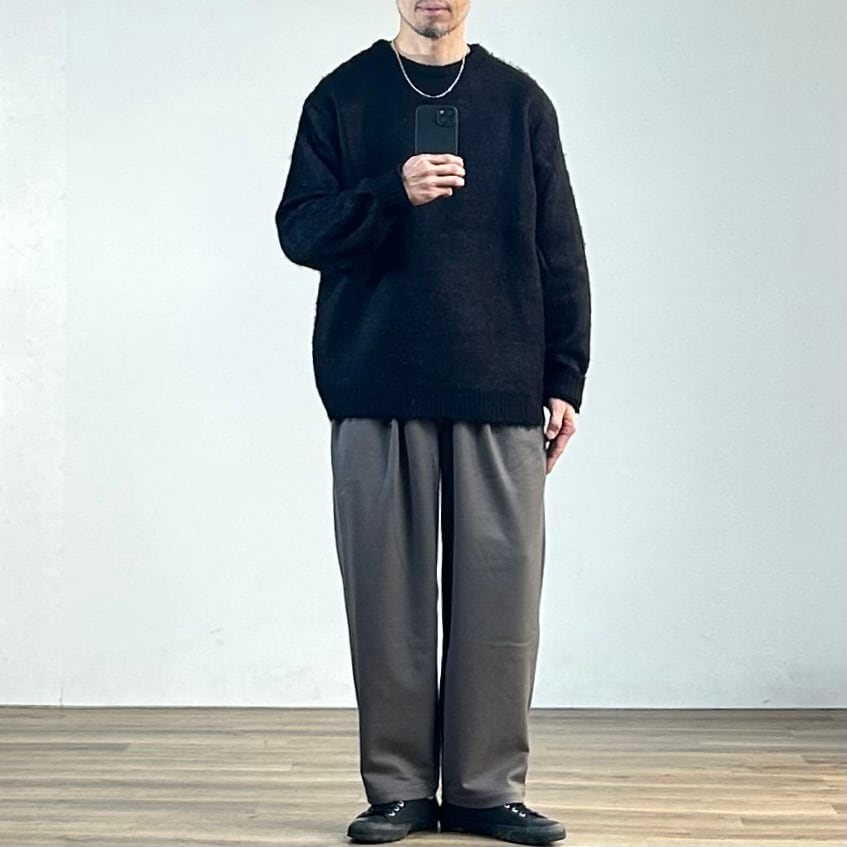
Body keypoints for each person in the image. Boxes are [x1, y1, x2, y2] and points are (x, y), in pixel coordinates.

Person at [274, 1, 591, 843]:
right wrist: (390, 192)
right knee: (386, 600)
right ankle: (399, 790)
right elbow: (299, 228)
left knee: (501, 603)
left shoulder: (519, 102)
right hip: (375, 381)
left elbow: (558, 244)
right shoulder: (342, 97)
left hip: (498, 383)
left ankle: (486, 789)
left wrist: (564, 376)